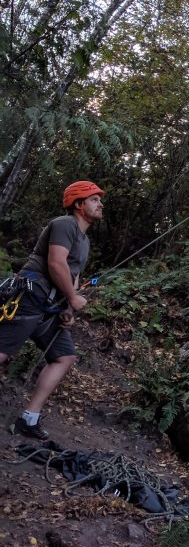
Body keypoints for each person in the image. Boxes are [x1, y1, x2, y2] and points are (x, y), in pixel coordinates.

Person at [0, 181, 104, 439]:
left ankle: (29, 419)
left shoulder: (84, 240)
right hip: (30, 295)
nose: (100, 204)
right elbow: (56, 264)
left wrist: (69, 307)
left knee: (64, 356)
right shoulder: (65, 224)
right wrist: (73, 297)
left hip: (50, 306)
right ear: (79, 204)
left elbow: (73, 274)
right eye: (94, 199)